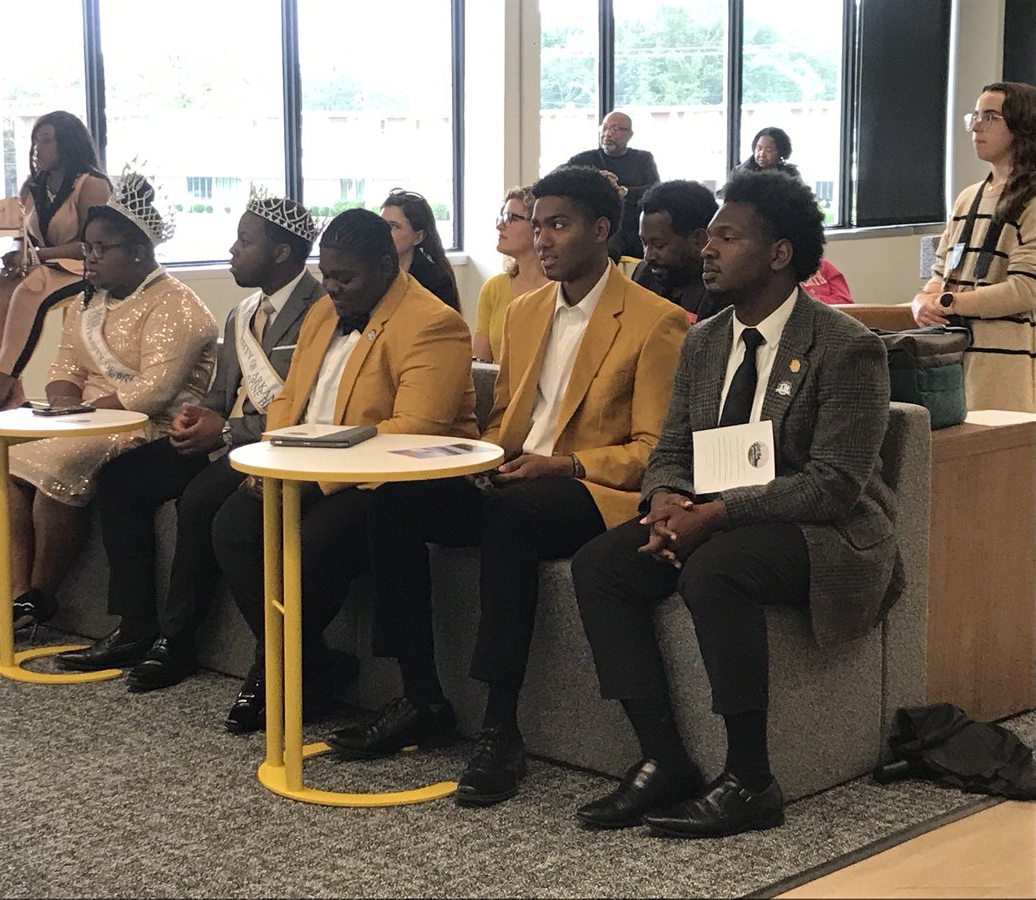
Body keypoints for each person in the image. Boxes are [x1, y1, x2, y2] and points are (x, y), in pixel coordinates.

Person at [325, 166, 689, 808]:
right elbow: (504, 423)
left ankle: (499, 727)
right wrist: (478, 461)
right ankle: (422, 698)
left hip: (589, 488)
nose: (542, 240)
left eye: (557, 225)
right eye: (538, 224)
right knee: (396, 501)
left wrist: (565, 466)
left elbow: (653, 451)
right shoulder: (524, 312)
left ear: (601, 231)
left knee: (511, 517)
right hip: (519, 475)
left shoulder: (655, 322)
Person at [570, 171, 902, 838]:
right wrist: (665, 500)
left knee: (714, 567)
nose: (709, 248)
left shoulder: (846, 347)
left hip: (820, 531)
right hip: (713, 515)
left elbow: (834, 484)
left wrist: (713, 517)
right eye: (710, 236)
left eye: (728, 235)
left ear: (779, 253)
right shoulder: (705, 339)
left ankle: (752, 780)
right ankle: (664, 759)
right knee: (601, 565)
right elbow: (671, 448)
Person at [210, 208, 478, 734]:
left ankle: (275, 670)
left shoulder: (433, 322)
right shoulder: (324, 313)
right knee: (233, 527)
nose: (331, 288)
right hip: (314, 463)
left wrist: (314, 477)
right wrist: (275, 457)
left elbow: (415, 431)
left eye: (344, 277)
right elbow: (291, 399)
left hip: (392, 479)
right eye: (327, 275)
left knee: (313, 544)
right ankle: (309, 667)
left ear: (386, 266)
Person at [54, 190, 325, 683]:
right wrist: (198, 419)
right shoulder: (241, 313)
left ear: (281, 252)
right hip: (233, 441)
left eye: (245, 240)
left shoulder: (322, 310)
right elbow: (221, 394)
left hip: (282, 446)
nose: (232, 249)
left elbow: (316, 407)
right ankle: (139, 627)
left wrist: (222, 429)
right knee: (122, 479)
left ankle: (181, 641)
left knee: (199, 503)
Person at [0, 169, 218, 644]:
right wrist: (64, 408)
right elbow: (63, 370)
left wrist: (79, 420)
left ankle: (41, 594)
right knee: (8, 461)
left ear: (138, 250)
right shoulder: (86, 302)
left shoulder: (178, 306)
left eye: (101, 249)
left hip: (150, 428)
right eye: (87, 248)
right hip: (88, 419)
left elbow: (152, 393)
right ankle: (15, 595)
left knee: (58, 462)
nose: (89, 258)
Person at [0, 111, 111, 428]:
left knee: (32, 289)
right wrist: (18, 256)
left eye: (45, 141)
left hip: (84, 268)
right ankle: (14, 393)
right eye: (35, 141)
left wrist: (37, 257)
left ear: (67, 144)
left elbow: (92, 244)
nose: (37, 149)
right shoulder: (32, 186)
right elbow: (23, 237)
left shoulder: (92, 185)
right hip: (44, 264)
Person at [911, 81, 1036, 412]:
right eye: (975, 116)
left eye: (991, 116)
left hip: (1004, 368)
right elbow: (941, 272)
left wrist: (948, 302)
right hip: (949, 358)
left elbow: (1025, 291)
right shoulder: (968, 197)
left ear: (1021, 126)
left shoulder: (1032, 201)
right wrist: (921, 302)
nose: (977, 126)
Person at [567, 110, 660, 258]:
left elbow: (655, 189)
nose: (607, 134)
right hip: (599, 225)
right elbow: (559, 180)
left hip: (635, 226)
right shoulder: (584, 160)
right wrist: (596, 179)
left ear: (630, 134)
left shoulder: (642, 159)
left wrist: (623, 192)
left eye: (615, 129)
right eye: (604, 128)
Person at [473, 186, 549, 362]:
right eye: (501, 217)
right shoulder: (494, 288)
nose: (500, 225)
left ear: (536, 226)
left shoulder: (563, 288)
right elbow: (481, 365)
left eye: (510, 218)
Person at [631, 179, 722, 323]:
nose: (648, 256)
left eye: (659, 245)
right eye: (644, 243)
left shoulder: (722, 292)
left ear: (699, 240)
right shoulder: (645, 274)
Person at [379, 188, 461, 311]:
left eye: (393, 226)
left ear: (418, 237)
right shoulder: (370, 272)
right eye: (380, 223)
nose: (383, 232)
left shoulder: (436, 281)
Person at [734, 127, 801, 179]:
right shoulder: (741, 173)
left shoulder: (791, 175)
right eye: (759, 149)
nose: (762, 154)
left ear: (781, 152)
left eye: (769, 150)